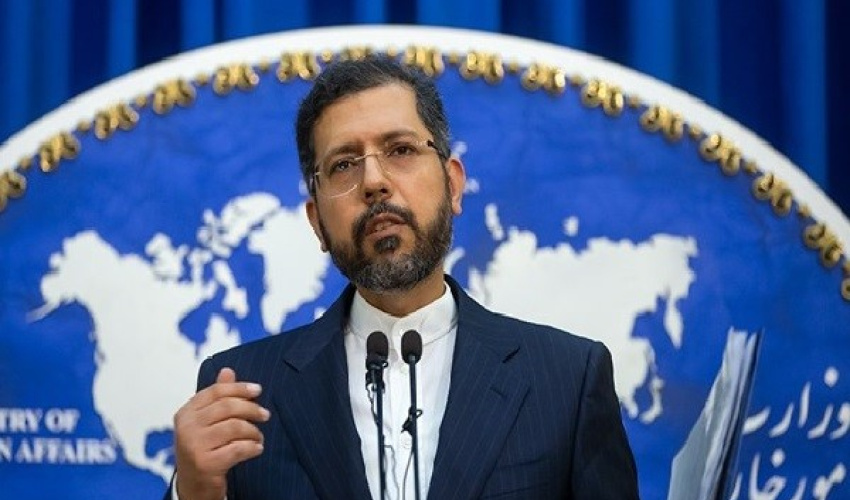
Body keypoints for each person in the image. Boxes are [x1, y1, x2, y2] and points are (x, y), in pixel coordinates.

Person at [167, 56, 639, 500]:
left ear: (453, 185)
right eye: (344, 164)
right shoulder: (245, 393)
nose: (374, 181)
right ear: (317, 223)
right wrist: (193, 493)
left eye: (400, 150)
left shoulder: (567, 380)